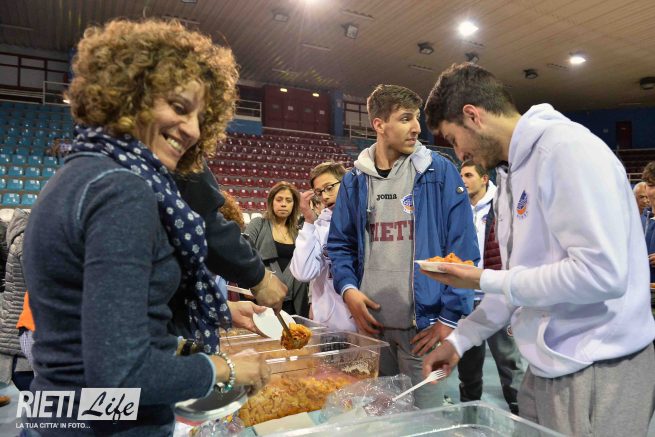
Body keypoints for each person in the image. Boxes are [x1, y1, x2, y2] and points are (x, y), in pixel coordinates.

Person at [23, 19, 270, 435]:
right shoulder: (123, 191)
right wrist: (224, 367)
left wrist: (219, 311)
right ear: (130, 94)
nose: (193, 130)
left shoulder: (79, 175)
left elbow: (95, 321)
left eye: (201, 117)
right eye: (179, 107)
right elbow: (120, 375)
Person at [421, 62, 655, 435]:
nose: (459, 152)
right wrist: (460, 340)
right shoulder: (510, 173)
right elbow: (520, 282)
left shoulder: (567, 151)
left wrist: (483, 279)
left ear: (473, 116)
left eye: (453, 138)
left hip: (597, 364)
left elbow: (602, 275)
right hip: (547, 365)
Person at [327, 84, 478, 409]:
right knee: (381, 420)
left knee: (425, 421)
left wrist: (449, 317)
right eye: (406, 118)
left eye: (416, 118)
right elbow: (339, 245)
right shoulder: (355, 180)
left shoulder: (439, 172)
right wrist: (348, 290)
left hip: (423, 330)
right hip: (371, 329)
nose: (417, 127)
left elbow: (463, 248)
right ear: (379, 124)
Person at [456, 160, 523, 414]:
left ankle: (523, 419)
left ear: (484, 179)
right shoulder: (458, 208)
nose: (463, 180)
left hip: (497, 296)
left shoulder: (501, 205)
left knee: (510, 365)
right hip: (466, 298)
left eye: (469, 175)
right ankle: (468, 418)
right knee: (468, 368)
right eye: (461, 175)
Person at [289, 161, 356, 331]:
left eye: (329, 188)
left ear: (347, 182)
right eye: (319, 192)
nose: (325, 196)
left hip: (366, 322)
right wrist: (309, 222)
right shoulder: (318, 228)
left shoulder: (367, 219)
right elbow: (303, 273)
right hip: (329, 325)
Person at [244, 182, 310, 317]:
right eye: (279, 200)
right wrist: (248, 286)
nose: (283, 204)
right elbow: (244, 255)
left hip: (294, 303)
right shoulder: (258, 224)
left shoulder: (298, 233)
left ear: (294, 205)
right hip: (263, 298)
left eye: (288, 200)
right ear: (271, 202)